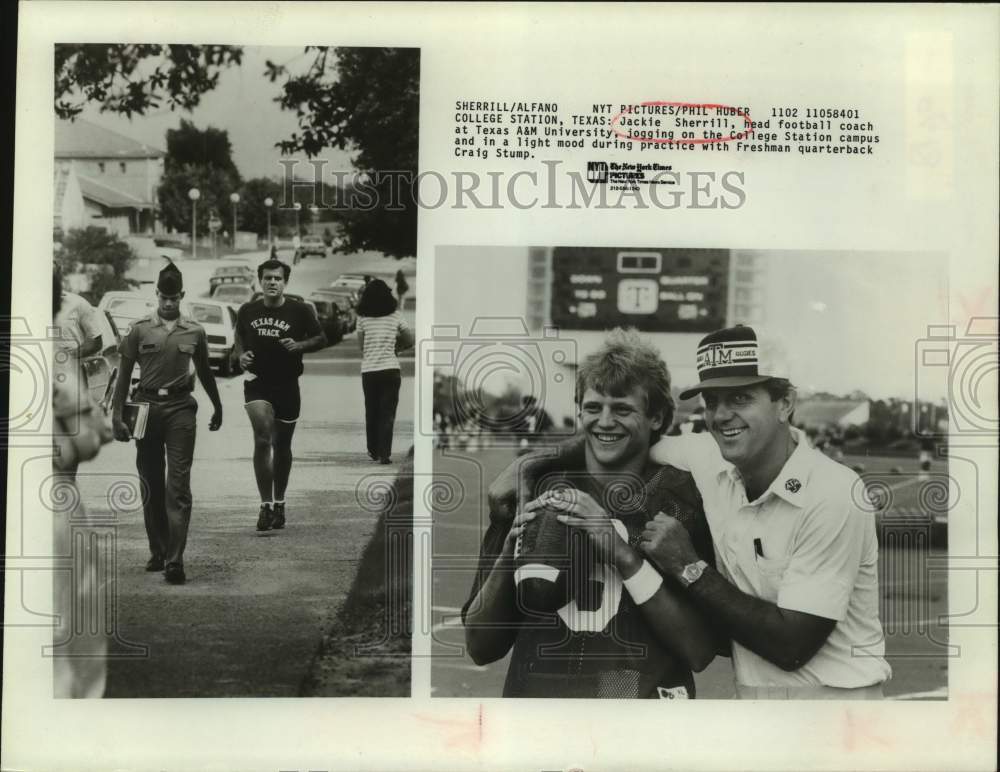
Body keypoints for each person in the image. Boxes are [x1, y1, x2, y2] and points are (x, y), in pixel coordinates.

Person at [489, 324, 892, 699]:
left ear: (785, 402)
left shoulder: (833, 493)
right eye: (712, 401)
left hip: (836, 708)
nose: (721, 415)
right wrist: (529, 465)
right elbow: (616, 434)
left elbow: (791, 646)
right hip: (757, 705)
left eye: (741, 398)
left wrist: (689, 566)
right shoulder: (707, 456)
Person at [464, 329, 718, 698]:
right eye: (594, 408)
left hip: (641, 711)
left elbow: (700, 650)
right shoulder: (531, 490)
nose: (605, 421)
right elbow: (481, 646)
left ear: (658, 418)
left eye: (623, 409)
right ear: (579, 409)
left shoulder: (683, 499)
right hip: (541, 708)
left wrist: (624, 557)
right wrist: (509, 551)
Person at [111, 262, 223, 585]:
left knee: (178, 485)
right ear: (156, 294)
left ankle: (175, 559)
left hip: (180, 409)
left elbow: (205, 372)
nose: (169, 302)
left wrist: (218, 405)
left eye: (174, 297)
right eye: (164, 296)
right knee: (150, 482)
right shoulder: (139, 329)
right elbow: (123, 374)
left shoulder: (195, 331)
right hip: (145, 408)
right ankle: (157, 549)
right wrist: (117, 416)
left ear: (182, 296)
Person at [52, 265, 111, 697]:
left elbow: (97, 341)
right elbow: (91, 434)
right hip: (47, 497)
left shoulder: (80, 308)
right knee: (71, 598)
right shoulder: (48, 355)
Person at [236, 258, 326, 532]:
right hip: (257, 383)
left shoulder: (301, 310)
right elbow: (238, 339)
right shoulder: (247, 310)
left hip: (287, 384)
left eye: (277, 278)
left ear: (285, 282)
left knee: (282, 445)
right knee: (263, 438)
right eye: (267, 278)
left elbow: (321, 339)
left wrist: (299, 345)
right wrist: (240, 355)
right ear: (260, 281)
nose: (272, 282)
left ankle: (280, 502)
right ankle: (264, 506)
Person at [356, 278, 413, 465]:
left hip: (370, 371)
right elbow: (410, 339)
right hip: (391, 370)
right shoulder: (396, 316)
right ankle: (385, 453)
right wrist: (397, 348)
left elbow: (361, 346)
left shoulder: (362, 318)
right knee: (388, 413)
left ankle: (372, 450)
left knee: (371, 411)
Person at [53, 265, 102, 362]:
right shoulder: (31, 305)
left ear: (59, 278)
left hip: (69, 371)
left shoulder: (77, 303)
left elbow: (96, 342)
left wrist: (72, 355)